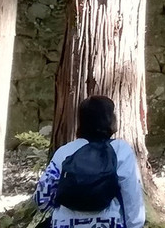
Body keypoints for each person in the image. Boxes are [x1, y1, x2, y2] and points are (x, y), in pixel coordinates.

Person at [34, 95, 145, 228]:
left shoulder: (64, 152)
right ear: (108, 120)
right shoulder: (120, 150)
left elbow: (41, 199)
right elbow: (132, 197)